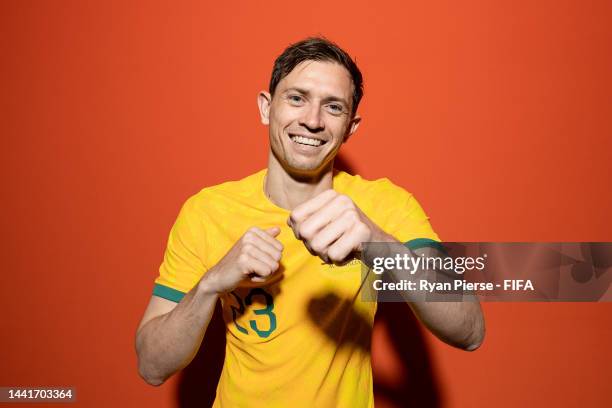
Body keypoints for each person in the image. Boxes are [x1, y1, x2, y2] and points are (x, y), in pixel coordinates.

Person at [135, 37, 485, 407]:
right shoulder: (207, 211)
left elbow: (469, 329)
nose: (313, 120)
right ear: (266, 108)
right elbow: (152, 365)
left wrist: (377, 244)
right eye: (297, 98)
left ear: (351, 127)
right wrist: (209, 286)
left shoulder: (385, 206)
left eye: (333, 107)